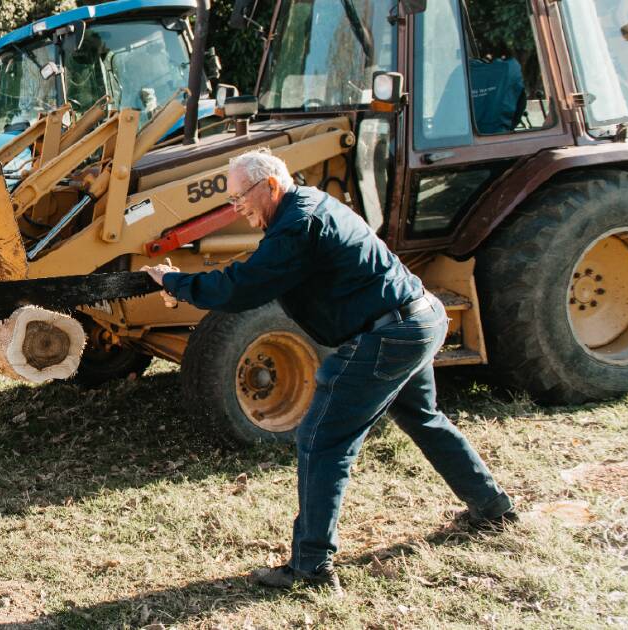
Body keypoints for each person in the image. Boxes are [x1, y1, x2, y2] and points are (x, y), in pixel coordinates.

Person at [142, 149, 515, 592]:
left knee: (320, 439)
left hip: (389, 333)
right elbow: (256, 273)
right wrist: (188, 285)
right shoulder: (308, 206)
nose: (236, 208)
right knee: (423, 417)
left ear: (271, 186)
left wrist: (175, 282)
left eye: (240, 197)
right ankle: (493, 507)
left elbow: (243, 286)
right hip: (419, 317)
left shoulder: (297, 225)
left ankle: (311, 566)